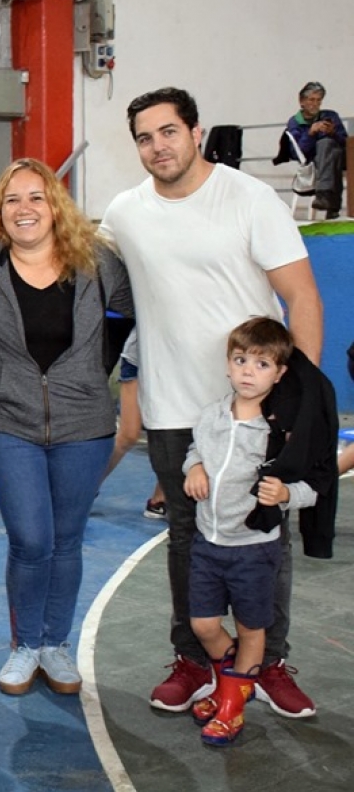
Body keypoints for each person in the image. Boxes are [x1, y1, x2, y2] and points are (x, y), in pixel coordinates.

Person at [101, 87, 324, 718]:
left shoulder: (249, 197)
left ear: (195, 132)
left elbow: (302, 297)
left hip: (255, 408)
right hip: (174, 409)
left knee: (265, 535)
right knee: (183, 536)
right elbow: (66, 253)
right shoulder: (125, 211)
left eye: (168, 132)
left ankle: (267, 663)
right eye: (145, 137)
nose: (157, 146)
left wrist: (298, 397)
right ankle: (195, 662)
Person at [0, 159, 133, 695]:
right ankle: (24, 645)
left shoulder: (99, 262)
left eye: (36, 197)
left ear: (55, 206)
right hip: (9, 419)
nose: (24, 209)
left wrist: (88, 374)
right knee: (31, 540)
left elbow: (125, 316)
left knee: (67, 540)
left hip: (85, 423)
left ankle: (56, 644)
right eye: (13, 200)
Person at [183, 319, 315, 745]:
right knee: (204, 624)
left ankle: (230, 707)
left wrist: (285, 495)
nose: (247, 371)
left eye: (261, 364)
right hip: (209, 543)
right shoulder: (211, 416)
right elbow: (194, 449)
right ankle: (233, 684)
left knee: (252, 629)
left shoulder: (283, 431)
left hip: (254, 550)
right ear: (227, 365)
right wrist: (194, 467)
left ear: (279, 373)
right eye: (240, 360)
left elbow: (314, 484)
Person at [101, 331, 165, 520]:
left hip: (181, 365)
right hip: (140, 357)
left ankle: (159, 498)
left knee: (175, 433)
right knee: (129, 433)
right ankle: (85, 489)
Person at [285, 81, 346, 216]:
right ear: (302, 101)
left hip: (340, 157)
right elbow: (296, 152)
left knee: (329, 146)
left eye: (318, 100)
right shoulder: (295, 122)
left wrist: (333, 133)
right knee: (325, 147)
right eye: (311, 99)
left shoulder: (331, 115)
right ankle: (331, 206)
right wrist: (310, 133)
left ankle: (324, 195)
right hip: (315, 160)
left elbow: (345, 142)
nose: (315, 104)